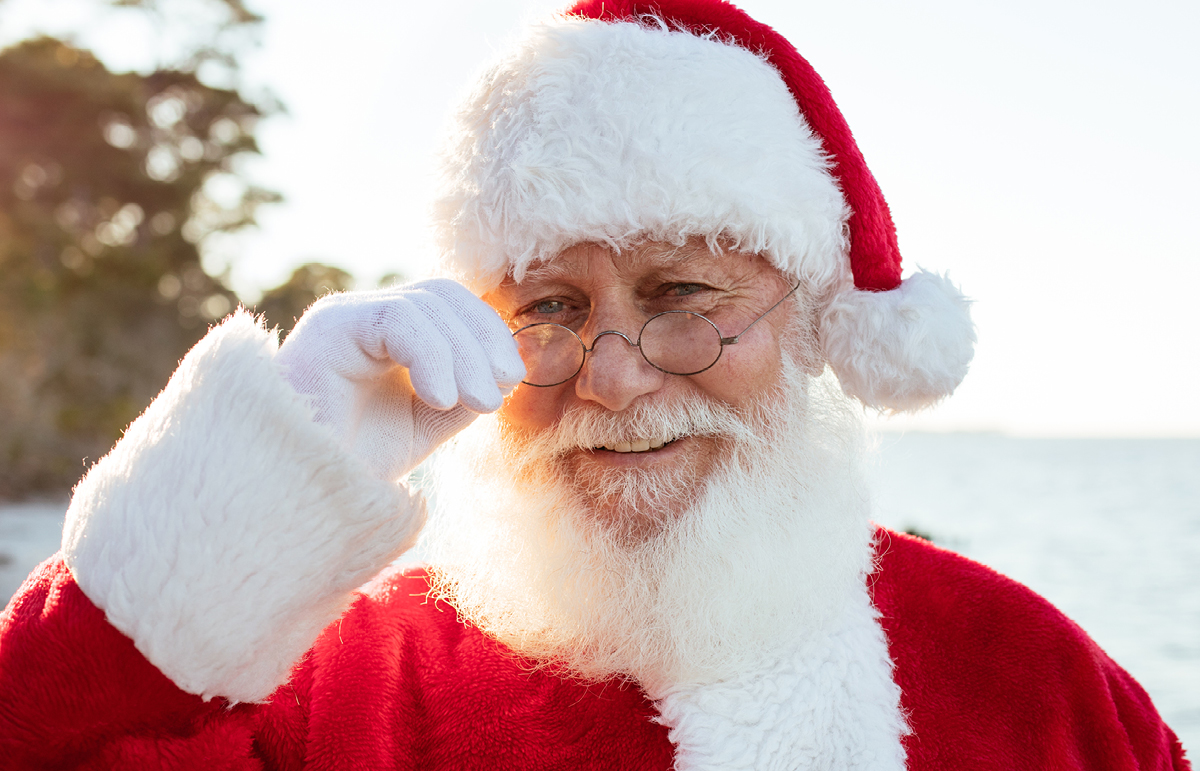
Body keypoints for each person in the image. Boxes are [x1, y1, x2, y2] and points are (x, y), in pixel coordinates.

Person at [0, 1, 1189, 769]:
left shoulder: (1031, 680)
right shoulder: (339, 690)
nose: (612, 380)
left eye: (684, 297)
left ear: (818, 321)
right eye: (550, 310)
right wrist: (257, 490)